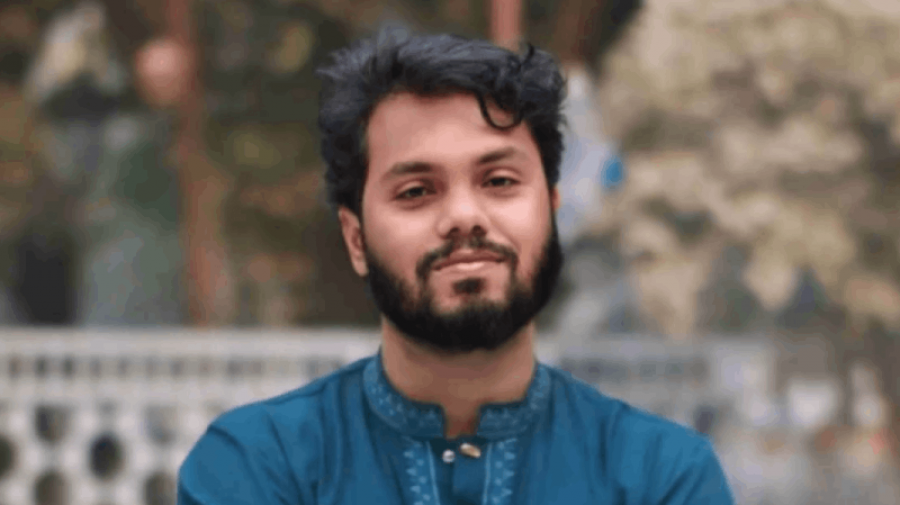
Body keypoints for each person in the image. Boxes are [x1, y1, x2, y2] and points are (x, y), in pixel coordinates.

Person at [177, 30, 735, 504]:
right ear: (356, 239)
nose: (465, 216)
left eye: (499, 181)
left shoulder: (659, 476)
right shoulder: (258, 465)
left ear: (551, 211)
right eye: (416, 191)